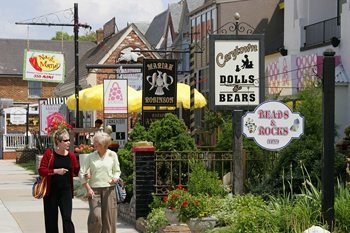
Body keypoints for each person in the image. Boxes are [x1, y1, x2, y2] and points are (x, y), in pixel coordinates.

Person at [38, 129, 80, 233]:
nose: (69, 142)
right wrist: (56, 171)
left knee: (67, 219)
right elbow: (41, 170)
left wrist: (85, 174)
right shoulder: (49, 153)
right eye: (66, 140)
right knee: (51, 221)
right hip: (50, 192)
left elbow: (76, 170)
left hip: (66, 192)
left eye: (69, 140)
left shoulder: (71, 155)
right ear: (58, 142)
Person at [79, 131, 121, 233]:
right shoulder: (90, 156)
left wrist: (115, 178)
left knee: (109, 219)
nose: (94, 144)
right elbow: (81, 172)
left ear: (103, 144)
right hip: (94, 190)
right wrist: (88, 188)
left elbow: (117, 171)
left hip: (109, 189)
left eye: (96, 142)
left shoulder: (112, 155)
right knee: (96, 217)